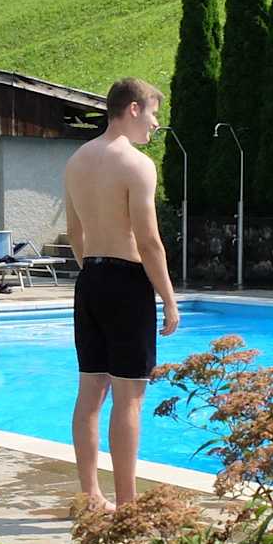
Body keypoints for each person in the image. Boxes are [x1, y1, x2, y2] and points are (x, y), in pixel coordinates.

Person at [63, 76, 180, 513]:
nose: (155, 124)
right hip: (127, 282)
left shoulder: (76, 160)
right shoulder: (136, 164)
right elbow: (148, 241)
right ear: (133, 109)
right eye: (153, 114)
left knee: (90, 391)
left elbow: (74, 232)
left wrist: (94, 271)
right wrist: (168, 298)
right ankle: (127, 504)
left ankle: (90, 495)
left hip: (90, 279)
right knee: (129, 396)